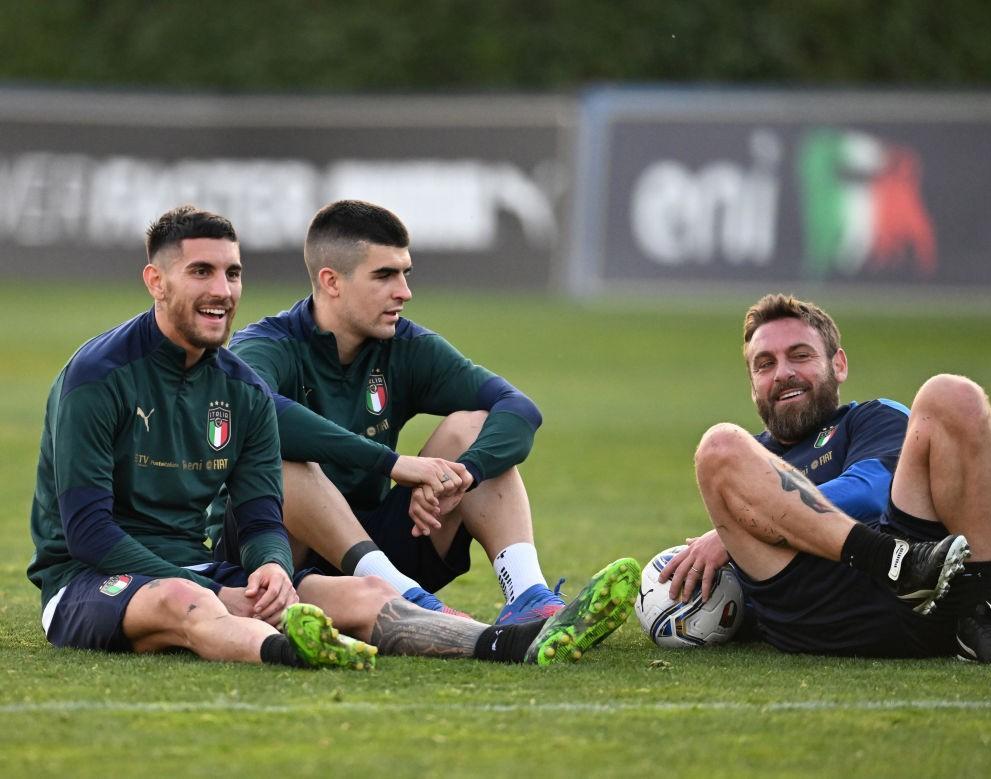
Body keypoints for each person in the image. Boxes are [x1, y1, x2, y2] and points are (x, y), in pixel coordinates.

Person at [26, 204, 640, 669]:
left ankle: (512, 639)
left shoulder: (237, 384)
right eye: (201, 272)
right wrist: (223, 587)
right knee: (183, 603)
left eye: (233, 273)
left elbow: (263, 517)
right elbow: (87, 533)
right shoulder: (99, 377)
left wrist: (266, 570)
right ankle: (293, 650)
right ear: (155, 282)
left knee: (364, 597)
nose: (222, 290)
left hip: (220, 566)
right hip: (91, 578)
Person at [217, 199, 563, 623]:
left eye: (405, 273)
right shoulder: (267, 345)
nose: (404, 291)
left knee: (471, 427)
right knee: (285, 461)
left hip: (380, 546)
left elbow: (518, 408)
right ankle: (404, 599)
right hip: (276, 558)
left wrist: (462, 476)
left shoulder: (405, 345)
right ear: (331, 282)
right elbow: (257, 413)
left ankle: (529, 597)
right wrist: (395, 464)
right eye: (384, 275)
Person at [660, 293, 991, 664]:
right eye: (765, 364)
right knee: (718, 444)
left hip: (919, 594)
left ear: (839, 364)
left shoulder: (870, 418)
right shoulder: (741, 457)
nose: (783, 373)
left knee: (952, 393)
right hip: (809, 611)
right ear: (753, 385)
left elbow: (871, 492)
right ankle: (897, 562)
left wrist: (744, 525)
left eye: (800, 356)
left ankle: (978, 615)